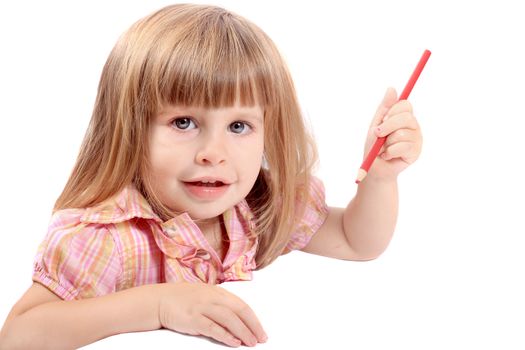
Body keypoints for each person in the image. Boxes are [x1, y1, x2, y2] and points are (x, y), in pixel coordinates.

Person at [0, 3, 422, 349]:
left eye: (239, 127)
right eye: (183, 122)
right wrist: (160, 305)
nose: (213, 155)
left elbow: (355, 241)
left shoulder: (256, 207)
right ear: (128, 126)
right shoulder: (105, 236)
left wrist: (381, 179)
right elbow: (18, 337)